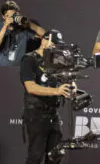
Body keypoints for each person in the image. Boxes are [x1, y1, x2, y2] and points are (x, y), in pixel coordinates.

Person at [20, 29, 73, 164]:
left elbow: (68, 81)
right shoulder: (29, 59)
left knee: (55, 156)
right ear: (44, 40)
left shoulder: (56, 62)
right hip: (36, 113)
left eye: (57, 45)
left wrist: (72, 87)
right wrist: (57, 91)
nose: (55, 47)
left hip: (52, 114)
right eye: (53, 43)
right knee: (36, 156)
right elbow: (30, 87)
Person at [0, 1, 45, 66]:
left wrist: (28, 23)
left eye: (14, 15)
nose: (12, 18)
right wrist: (5, 26)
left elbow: (43, 33)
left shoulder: (23, 28)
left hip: (18, 69)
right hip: (2, 68)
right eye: (9, 16)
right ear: (4, 17)